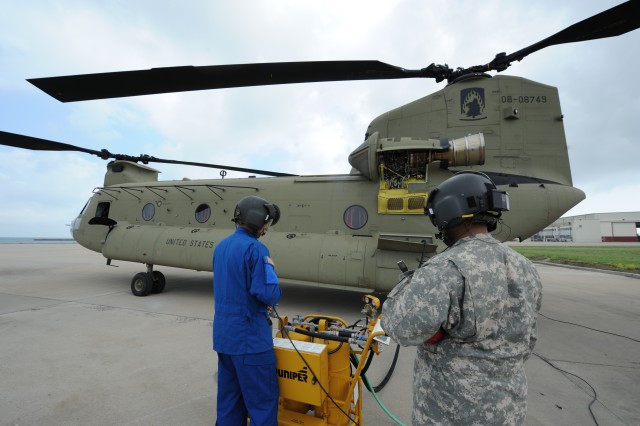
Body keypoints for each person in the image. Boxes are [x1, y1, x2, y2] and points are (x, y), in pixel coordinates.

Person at [381, 171, 542, 425]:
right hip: (509, 410)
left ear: (448, 213)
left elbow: (399, 327)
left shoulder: (445, 269)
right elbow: (528, 340)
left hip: (451, 413)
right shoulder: (525, 267)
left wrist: (409, 283)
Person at [212, 195, 282, 425]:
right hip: (250, 341)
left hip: (225, 339)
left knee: (230, 401)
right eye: (266, 222)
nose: (265, 228)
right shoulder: (257, 249)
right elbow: (268, 293)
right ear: (257, 219)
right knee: (262, 402)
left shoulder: (221, 247)